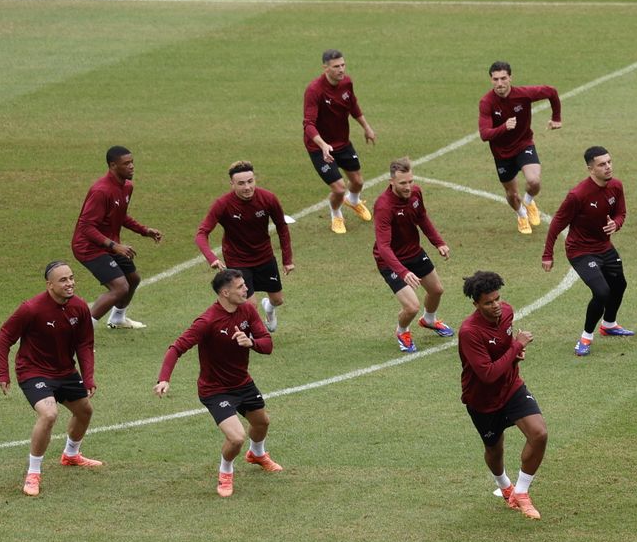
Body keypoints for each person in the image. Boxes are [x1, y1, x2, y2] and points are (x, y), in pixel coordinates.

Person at [154, 269, 280, 497]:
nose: (246, 290)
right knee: (236, 437)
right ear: (225, 292)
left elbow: (267, 344)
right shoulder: (208, 321)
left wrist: (250, 342)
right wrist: (164, 379)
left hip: (243, 383)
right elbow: (176, 348)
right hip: (216, 390)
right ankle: (225, 471)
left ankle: (257, 454)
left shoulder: (248, 310)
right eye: (240, 287)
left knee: (262, 423)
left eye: (245, 285)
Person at [0, 262, 101, 497]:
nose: (70, 283)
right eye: (63, 280)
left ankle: (71, 455)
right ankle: (33, 473)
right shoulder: (31, 308)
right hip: (33, 371)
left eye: (72, 278)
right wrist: (3, 372)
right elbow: (5, 335)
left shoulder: (80, 307)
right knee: (49, 414)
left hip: (64, 371)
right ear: (49, 285)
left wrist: (88, 376)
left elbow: (85, 344)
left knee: (85, 412)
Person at [458, 271, 547, 520]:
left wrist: (514, 353)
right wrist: (518, 346)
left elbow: (504, 350)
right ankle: (504, 485)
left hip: (511, 387)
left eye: (497, 299)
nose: (496, 306)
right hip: (482, 400)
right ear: (476, 304)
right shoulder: (469, 332)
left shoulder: (507, 312)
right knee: (494, 450)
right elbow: (487, 374)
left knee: (539, 433)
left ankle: (521, 492)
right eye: (488, 302)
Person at [542, 146, 633, 356]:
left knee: (619, 285)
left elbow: (621, 213)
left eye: (609, 162)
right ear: (590, 168)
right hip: (580, 251)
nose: (608, 167)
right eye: (602, 164)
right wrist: (548, 254)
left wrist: (616, 225)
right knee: (602, 292)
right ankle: (586, 337)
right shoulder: (578, 195)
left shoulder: (616, 186)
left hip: (604, 247)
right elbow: (557, 223)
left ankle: (609, 324)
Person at [194, 160, 294, 334]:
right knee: (249, 304)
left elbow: (282, 227)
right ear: (232, 184)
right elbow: (202, 233)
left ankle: (269, 309)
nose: (247, 187)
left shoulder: (268, 198)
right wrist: (212, 258)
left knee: (278, 300)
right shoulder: (223, 204)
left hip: (264, 256)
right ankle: (252, 337)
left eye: (250, 181)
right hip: (237, 259)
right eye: (241, 183)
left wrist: (287, 259)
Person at [71, 145, 162, 330]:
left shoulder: (127, 187)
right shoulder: (101, 191)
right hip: (88, 247)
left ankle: (118, 318)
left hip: (109, 245)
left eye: (132, 162)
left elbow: (119, 215)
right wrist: (114, 246)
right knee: (120, 288)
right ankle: (78, 334)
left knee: (133, 279)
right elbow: (86, 227)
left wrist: (144, 231)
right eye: (126, 163)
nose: (131, 167)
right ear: (113, 166)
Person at [372, 158, 453, 353]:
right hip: (390, 261)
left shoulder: (416, 193)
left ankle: (429, 320)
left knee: (436, 290)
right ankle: (402, 331)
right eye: (403, 183)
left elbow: (422, 218)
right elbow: (383, 246)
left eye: (410, 181)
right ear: (391, 182)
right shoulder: (384, 206)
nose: (408, 187)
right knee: (411, 307)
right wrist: (402, 271)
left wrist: (438, 242)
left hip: (414, 253)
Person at [479, 60, 561, 235]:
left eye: (503, 78)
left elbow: (551, 92)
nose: (499, 83)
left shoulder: (523, 95)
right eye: (495, 79)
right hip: (501, 154)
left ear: (510, 77)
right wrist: (504, 127)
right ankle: (521, 214)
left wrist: (556, 117)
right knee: (511, 194)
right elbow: (484, 134)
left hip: (524, 145)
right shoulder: (487, 102)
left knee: (534, 181)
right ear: (491, 80)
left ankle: (529, 201)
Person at [304, 48, 379, 235]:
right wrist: (322, 145)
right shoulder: (314, 90)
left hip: (342, 143)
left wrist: (366, 127)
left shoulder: (346, 82)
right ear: (325, 68)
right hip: (319, 147)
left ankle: (353, 201)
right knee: (339, 189)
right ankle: (336, 214)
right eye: (336, 66)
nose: (341, 69)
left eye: (343, 65)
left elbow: (352, 105)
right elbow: (308, 124)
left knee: (358, 182)